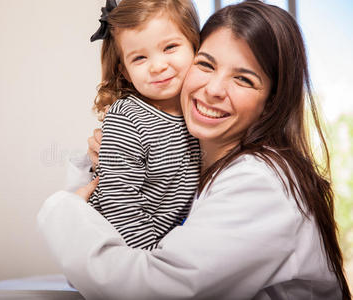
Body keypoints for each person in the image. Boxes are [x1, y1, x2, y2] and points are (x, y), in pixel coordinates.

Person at [38, 1, 351, 299]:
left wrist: (63, 209)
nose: (213, 90)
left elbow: (148, 289)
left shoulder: (259, 182)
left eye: (243, 79)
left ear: (272, 101)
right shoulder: (193, 161)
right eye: (206, 64)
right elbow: (93, 268)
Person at [86, 0, 201, 250]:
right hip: (114, 248)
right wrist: (147, 260)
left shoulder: (201, 115)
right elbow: (119, 199)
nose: (158, 66)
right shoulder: (127, 117)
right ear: (125, 72)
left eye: (170, 47)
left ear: (195, 47)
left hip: (158, 248)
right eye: (139, 58)